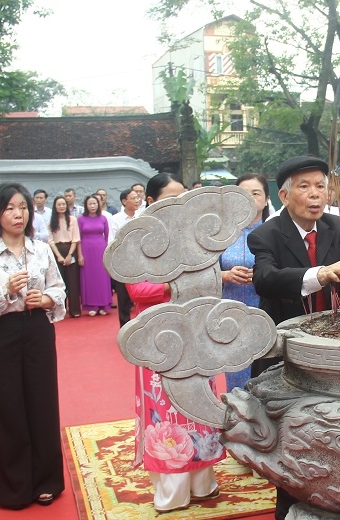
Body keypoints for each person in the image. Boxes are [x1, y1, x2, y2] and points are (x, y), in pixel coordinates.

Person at [248, 156, 340, 520]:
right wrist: (318, 273)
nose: (315, 194)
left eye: (320, 185)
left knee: (338, 436)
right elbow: (265, 279)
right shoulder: (266, 234)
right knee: (292, 441)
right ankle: (290, 508)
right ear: (285, 195)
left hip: (336, 349)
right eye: (304, 187)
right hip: (288, 352)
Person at [127, 173, 224, 512]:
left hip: (195, 330)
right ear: (151, 202)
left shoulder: (192, 235)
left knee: (200, 405)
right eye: (171, 196)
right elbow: (139, 290)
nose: (179, 202)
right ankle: (172, 492)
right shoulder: (137, 239)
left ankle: (203, 483)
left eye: (183, 195)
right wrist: (179, 284)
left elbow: (210, 277)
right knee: (165, 411)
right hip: (157, 335)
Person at [0, 182, 66, 510]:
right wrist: (6, 290)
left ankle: (47, 481)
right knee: (7, 408)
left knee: (42, 403)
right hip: (0, 335)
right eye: (10, 207)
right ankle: (15, 487)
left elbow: (59, 289)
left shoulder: (40, 248)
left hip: (37, 329)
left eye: (22, 207)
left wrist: (47, 297)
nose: (17, 213)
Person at [219, 173, 271, 390]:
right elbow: (203, 270)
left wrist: (262, 275)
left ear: (267, 199)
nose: (249, 198)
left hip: (266, 313)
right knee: (235, 370)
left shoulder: (274, 232)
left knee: (267, 371)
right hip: (230, 315)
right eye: (243, 193)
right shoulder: (221, 234)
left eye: (256, 193)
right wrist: (224, 275)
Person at [110, 188, 142, 327]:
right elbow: (112, 242)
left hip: (142, 259)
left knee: (143, 292)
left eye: (138, 198)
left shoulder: (142, 216)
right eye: (133, 198)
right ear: (124, 201)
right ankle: (125, 327)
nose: (137, 200)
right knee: (123, 296)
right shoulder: (115, 219)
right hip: (123, 261)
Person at [77, 195, 111, 316]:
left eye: (94, 204)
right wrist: (80, 255)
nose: (92, 206)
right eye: (90, 204)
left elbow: (107, 236)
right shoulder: (81, 219)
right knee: (89, 277)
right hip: (86, 249)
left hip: (101, 249)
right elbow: (78, 238)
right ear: (86, 205)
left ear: (99, 204)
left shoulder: (103, 218)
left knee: (102, 277)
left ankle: (104, 305)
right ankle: (91, 305)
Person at [48, 196, 81, 318]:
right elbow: (50, 241)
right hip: (57, 251)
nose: (61, 206)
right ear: (55, 207)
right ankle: (60, 310)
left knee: (73, 283)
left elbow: (76, 238)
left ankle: (75, 310)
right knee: (59, 283)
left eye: (63, 204)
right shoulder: (51, 222)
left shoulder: (72, 219)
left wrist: (69, 255)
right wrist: (58, 256)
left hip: (70, 250)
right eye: (59, 204)